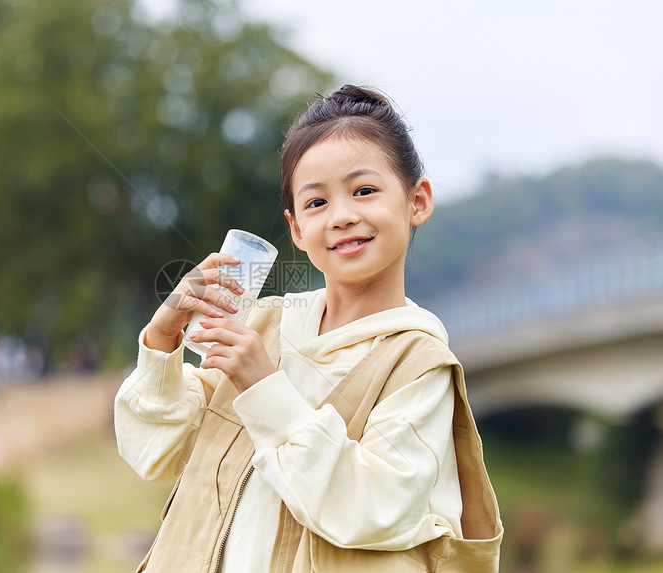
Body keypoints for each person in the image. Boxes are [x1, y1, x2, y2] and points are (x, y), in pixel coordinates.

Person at [114, 85, 502, 572]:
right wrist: (162, 342)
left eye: (364, 191)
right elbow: (156, 450)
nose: (341, 216)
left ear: (417, 200)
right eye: (316, 203)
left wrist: (264, 389)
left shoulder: (418, 361)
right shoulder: (264, 325)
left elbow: (378, 509)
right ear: (296, 229)